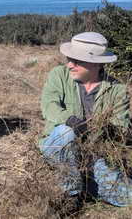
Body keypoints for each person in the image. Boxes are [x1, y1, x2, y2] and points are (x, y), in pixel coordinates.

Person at [40, 32, 132, 207]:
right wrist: (72, 121)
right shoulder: (59, 75)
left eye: (78, 61)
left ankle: (88, 185)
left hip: (93, 156)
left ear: (97, 64)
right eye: (69, 58)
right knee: (65, 132)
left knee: (127, 197)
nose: (70, 65)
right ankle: (71, 195)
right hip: (57, 146)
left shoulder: (117, 90)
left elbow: (121, 127)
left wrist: (107, 129)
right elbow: (48, 106)